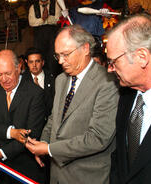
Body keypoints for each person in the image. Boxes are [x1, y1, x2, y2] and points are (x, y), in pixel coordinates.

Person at [25, 25, 119, 184]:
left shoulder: (107, 82)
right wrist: (42, 143)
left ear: (85, 48)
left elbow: (98, 138)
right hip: (57, 175)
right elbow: (54, 119)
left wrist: (48, 149)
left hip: (86, 176)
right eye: (57, 56)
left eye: (66, 54)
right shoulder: (61, 80)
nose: (61, 61)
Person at [0, 50, 46, 184]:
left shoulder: (35, 93)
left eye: (8, 73)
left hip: (23, 168)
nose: (4, 79)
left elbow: (31, 134)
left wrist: (1, 153)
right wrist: (11, 133)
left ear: (19, 68)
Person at [106, 14, 151, 184]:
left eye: (113, 62)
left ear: (142, 57)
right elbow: (119, 157)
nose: (110, 69)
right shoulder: (126, 97)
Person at [28, 0, 62, 76]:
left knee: (53, 60)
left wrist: (47, 19)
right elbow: (32, 22)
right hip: (39, 38)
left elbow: (58, 19)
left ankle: (54, 77)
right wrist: (43, 20)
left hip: (52, 37)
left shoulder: (56, 4)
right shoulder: (33, 7)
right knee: (40, 59)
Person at [23, 47, 55, 118]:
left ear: (43, 62)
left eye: (37, 61)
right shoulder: (22, 80)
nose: (34, 65)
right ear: (26, 62)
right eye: (31, 62)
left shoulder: (53, 79)